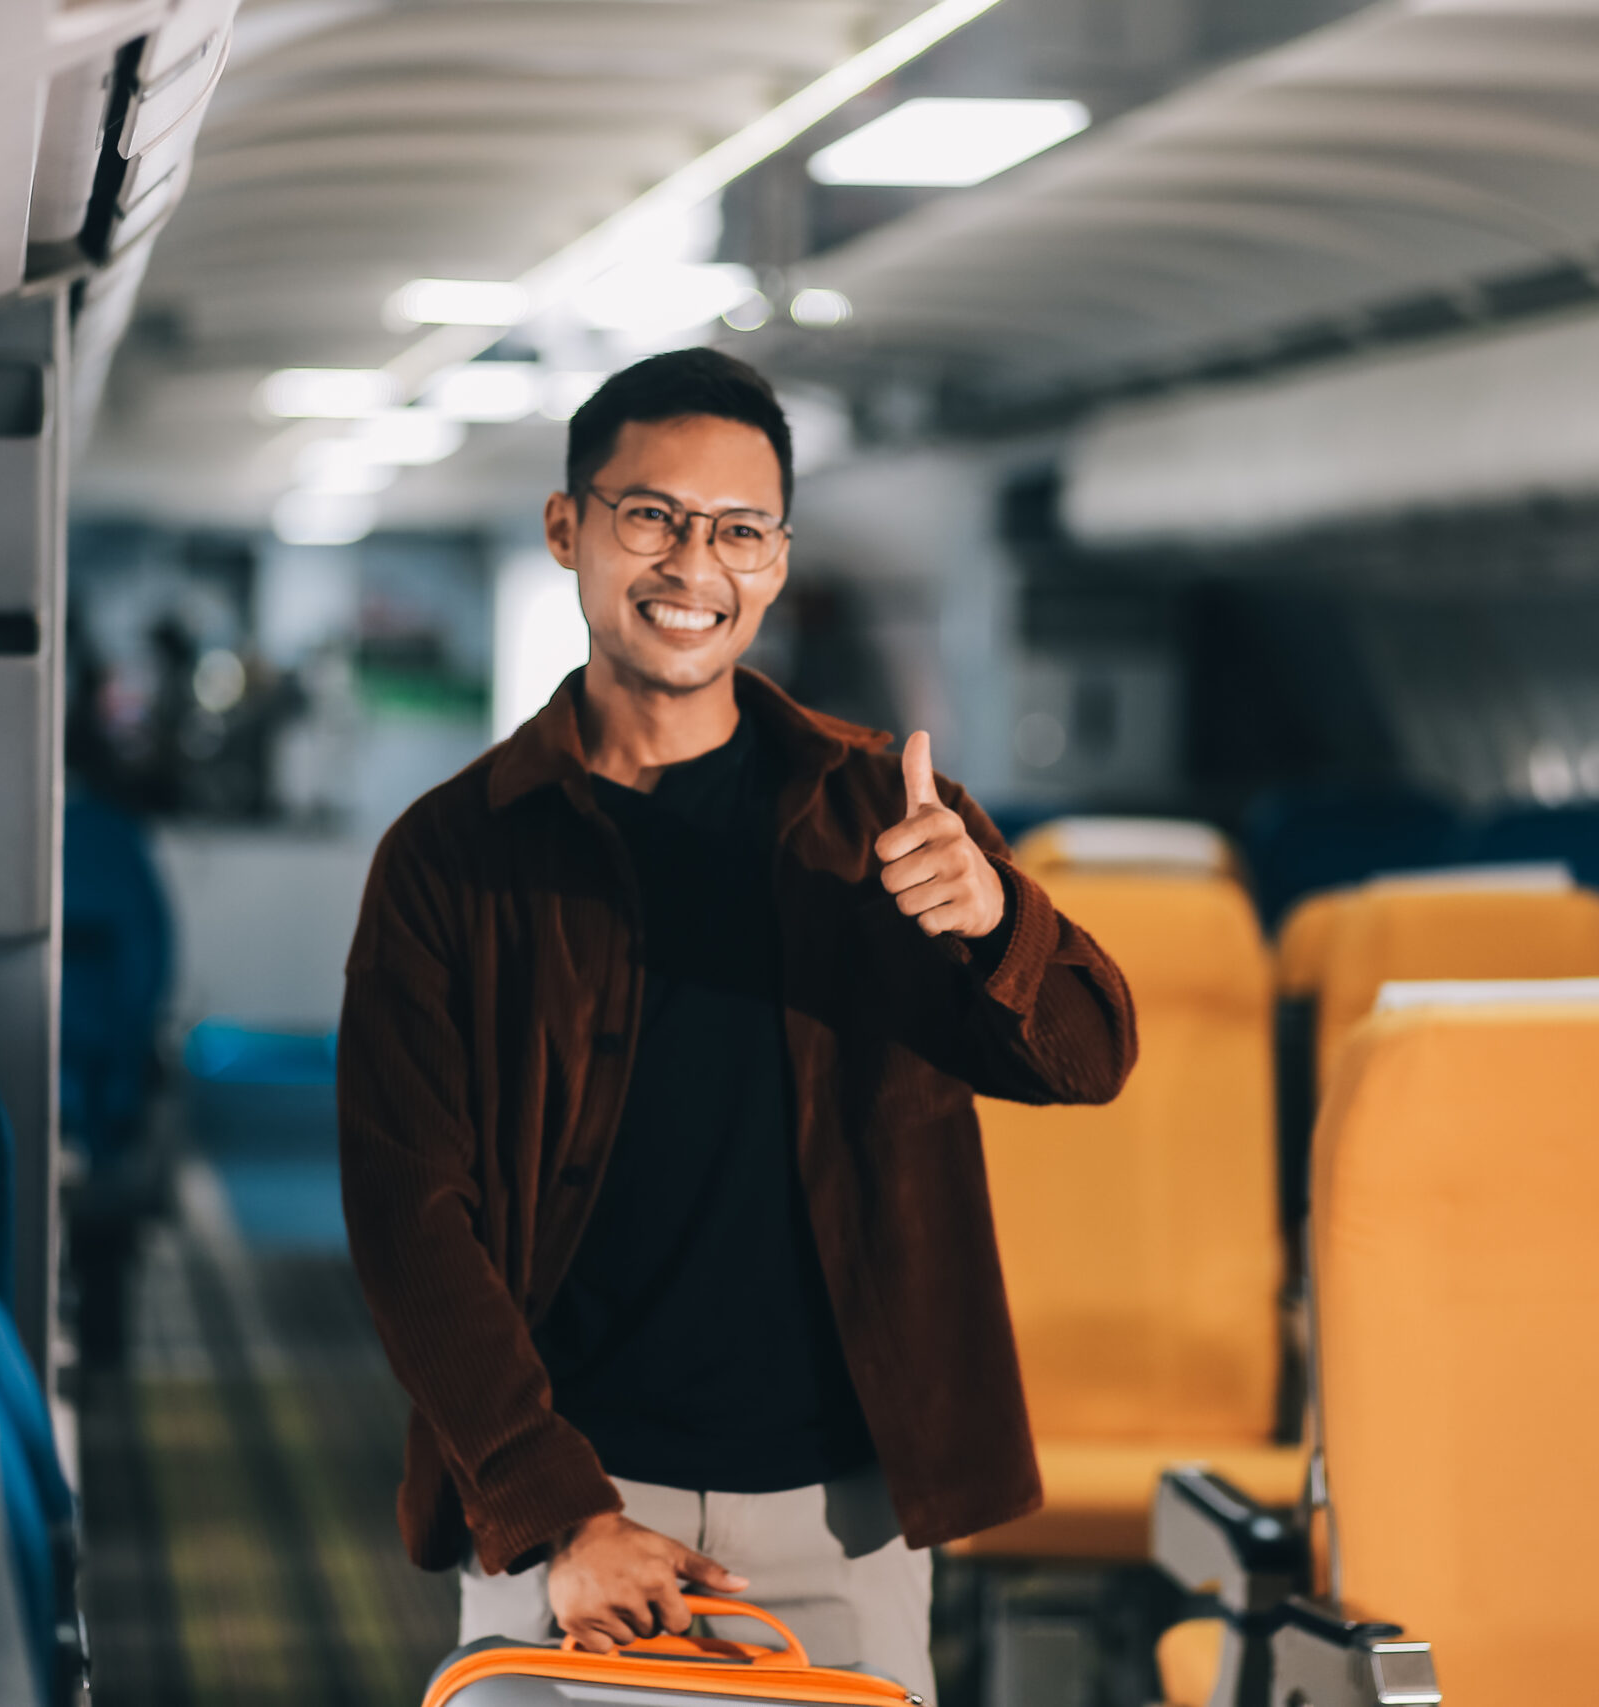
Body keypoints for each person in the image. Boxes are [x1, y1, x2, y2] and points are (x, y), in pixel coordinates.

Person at [338, 348, 1135, 1696]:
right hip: (577, 1507)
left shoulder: (882, 809)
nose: (691, 564)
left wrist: (996, 920)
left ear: (775, 559)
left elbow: (1088, 1056)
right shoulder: (452, 857)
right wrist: (557, 1507)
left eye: (738, 530)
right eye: (649, 516)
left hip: (844, 1515)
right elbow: (412, 1215)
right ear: (567, 528)